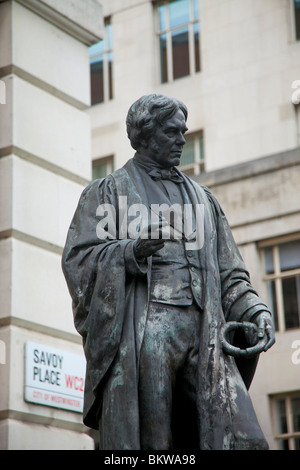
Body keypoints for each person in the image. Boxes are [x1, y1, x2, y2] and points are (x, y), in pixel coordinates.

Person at [62, 94, 275, 450]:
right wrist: (130, 251)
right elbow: (79, 260)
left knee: (245, 438)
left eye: (184, 132)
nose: (182, 140)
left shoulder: (204, 200)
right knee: (153, 443)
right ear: (145, 135)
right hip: (145, 335)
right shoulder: (107, 193)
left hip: (206, 331)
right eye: (173, 132)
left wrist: (256, 311)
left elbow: (232, 273)